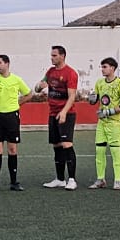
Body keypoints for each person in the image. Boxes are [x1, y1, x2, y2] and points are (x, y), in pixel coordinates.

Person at [36, 45, 81, 189]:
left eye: (54, 55)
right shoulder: (50, 71)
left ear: (62, 56)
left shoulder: (70, 73)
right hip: (53, 113)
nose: (52, 58)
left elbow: (72, 96)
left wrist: (64, 112)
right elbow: (40, 85)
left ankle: (72, 180)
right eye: (51, 55)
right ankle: (60, 179)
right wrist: (39, 86)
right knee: (56, 145)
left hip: (66, 114)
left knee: (66, 144)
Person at [0, 54, 32, 191]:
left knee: (12, 149)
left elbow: (29, 94)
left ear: (7, 64)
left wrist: (18, 104)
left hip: (12, 117)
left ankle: (14, 182)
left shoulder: (16, 79)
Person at [89, 57, 120, 189]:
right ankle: (100, 179)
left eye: (105, 67)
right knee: (99, 150)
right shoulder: (99, 83)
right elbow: (95, 100)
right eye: (101, 67)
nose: (102, 69)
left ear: (112, 68)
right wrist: (91, 99)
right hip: (102, 123)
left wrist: (109, 112)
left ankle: (117, 180)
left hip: (115, 123)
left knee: (115, 152)